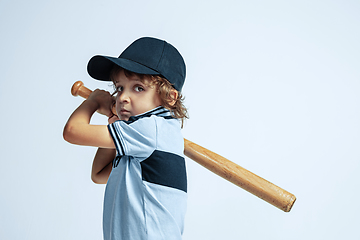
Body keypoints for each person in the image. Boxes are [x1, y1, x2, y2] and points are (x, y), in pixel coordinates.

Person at [63, 37, 188, 240]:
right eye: (119, 88)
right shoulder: (140, 139)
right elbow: (100, 174)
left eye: (138, 88)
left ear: (169, 98)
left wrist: (93, 101)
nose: (122, 97)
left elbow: (72, 131)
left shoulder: (152, 128)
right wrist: (115, 120)